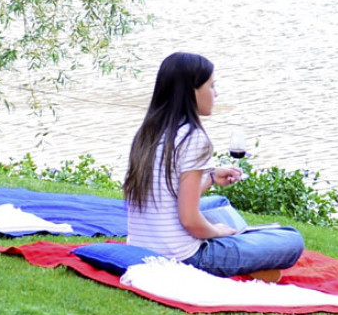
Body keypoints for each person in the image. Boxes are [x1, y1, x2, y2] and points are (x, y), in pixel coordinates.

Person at [123, 52, 304, 282]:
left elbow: (169, 195)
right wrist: (217, 232)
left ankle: (239, 241)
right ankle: (241, 249)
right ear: (191, 91)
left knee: (219, 204)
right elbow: (189, 219)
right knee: (291, 239)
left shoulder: (147, 132)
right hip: (185, 257)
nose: (216, 94)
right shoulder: (193, 137)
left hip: (143, 247)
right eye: (211, 86)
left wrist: (210, 176)